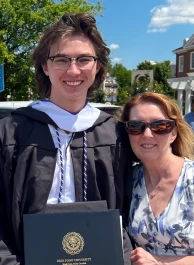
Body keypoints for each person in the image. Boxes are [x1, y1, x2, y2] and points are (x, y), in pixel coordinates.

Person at [0, 13, 132, 265]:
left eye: (84, 59)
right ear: (45, 66)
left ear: (98, 66)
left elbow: (125, 213)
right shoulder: (10, 133)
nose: (73, 70)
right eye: (61, 59)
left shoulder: (114, 134)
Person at [120, 92, 194, 265]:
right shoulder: (131, 179)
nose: (147, 134)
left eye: (160, 126)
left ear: (174, 133)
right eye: (136, 126)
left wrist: (160, 261)